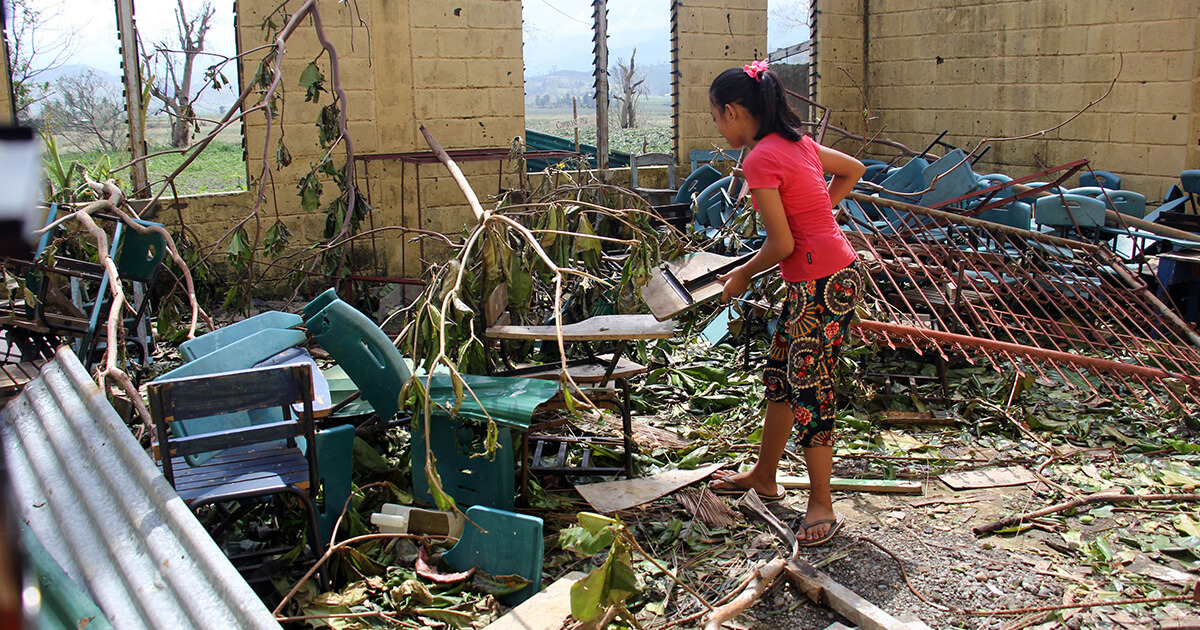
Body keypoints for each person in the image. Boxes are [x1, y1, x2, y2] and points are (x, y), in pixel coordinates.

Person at [705, 60, 866, 547]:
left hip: (821, 283)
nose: (716, 125)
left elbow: (782, 246)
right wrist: (818, 213)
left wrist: (740, 274)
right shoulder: (799, 143)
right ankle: (765, 475)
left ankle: (822, 503)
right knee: (781, 376)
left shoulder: (760, 159)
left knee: (810, 389)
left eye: (715, 116)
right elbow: (854, 170)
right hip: (829, 275)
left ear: (733, 111)